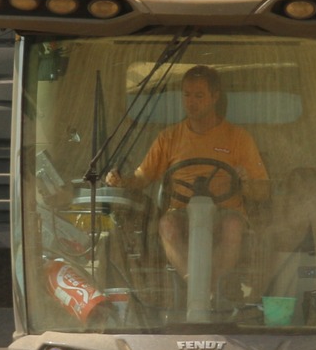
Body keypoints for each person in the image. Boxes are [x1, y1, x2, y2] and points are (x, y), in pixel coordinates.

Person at [106, 65, 269, 298]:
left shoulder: (239, 138)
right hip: (182, 214)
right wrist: (122, 181)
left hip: (226, 213)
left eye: (199, 96)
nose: (191, 102)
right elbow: (143, 177)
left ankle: (207, 291)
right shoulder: (168, 138)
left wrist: (246, 183)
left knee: (233, 226)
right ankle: (203, 290)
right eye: (187, 95)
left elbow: (262, 192)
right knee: (167, 225)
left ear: (215, 97)